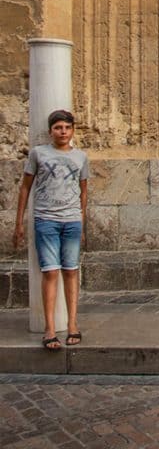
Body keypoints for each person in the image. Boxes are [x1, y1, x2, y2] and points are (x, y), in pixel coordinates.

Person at [13, 109, 89, 350]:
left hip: (72, 220)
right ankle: (49, 328)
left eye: (67, 128)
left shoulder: (81, 157)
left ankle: (73, 324)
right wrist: (19, 223)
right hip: (45, 219)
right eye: (58, 128)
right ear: (50, 131)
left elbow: (83, 191)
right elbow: (25, 188)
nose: (63, 132)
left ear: (73, 130)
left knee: (71, 271)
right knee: (50, 272)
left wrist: (82, 221)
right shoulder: (38, 154)